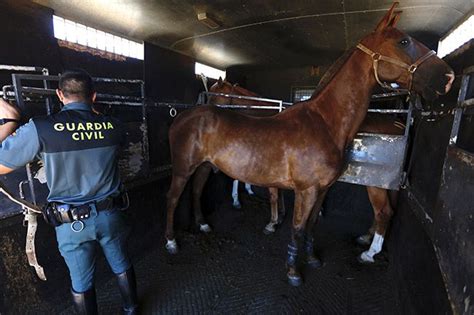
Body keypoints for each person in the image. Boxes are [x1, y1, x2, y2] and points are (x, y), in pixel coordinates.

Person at [0, 69, 138, 315]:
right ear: (93, 96)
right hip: (111, 214)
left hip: (72, 223)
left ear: (59, 95)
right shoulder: (114, 127)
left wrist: (10, 120)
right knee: (121, 264)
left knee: (81, 281)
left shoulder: (40, 128)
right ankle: (132, 309)